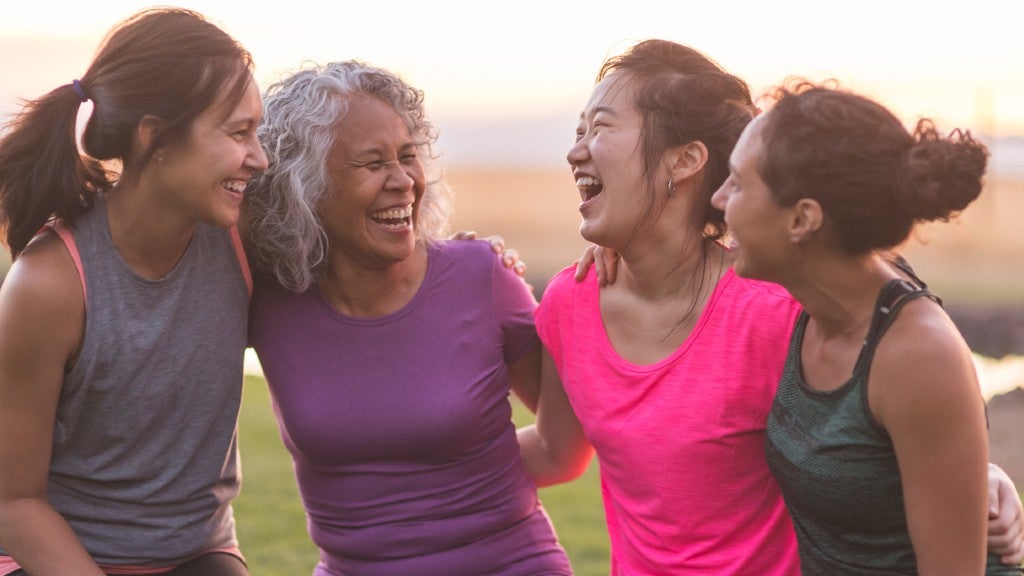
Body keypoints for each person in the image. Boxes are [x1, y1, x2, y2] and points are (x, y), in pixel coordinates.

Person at [517, 39, 1024, 574]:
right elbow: (557, 448)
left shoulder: (790, 308)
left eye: (600, 127)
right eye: (578, 131)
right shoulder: (574, 299)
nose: (576, 150)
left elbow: (904, 388)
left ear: (686, 161)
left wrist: (978, 479)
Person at [245, 60, 571, 576]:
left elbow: (563, 451)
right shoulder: (267, 297)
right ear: (304, 188)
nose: (403, 181)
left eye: (408, 156)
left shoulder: (481, 276)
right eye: (372, 163)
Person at [710, 81, 1024, 575]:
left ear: (802, 220)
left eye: (738, 183)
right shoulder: (815, 298)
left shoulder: (916, 354)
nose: (719, 197)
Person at [0, 8, 267, 576]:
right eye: (238, 132)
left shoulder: (244, 241)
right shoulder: (50, 284)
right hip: (53, 557)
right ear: (156, 138)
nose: (259, 157)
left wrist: (471, 258)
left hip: (199, 555)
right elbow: (13, 503)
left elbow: (364, 278)